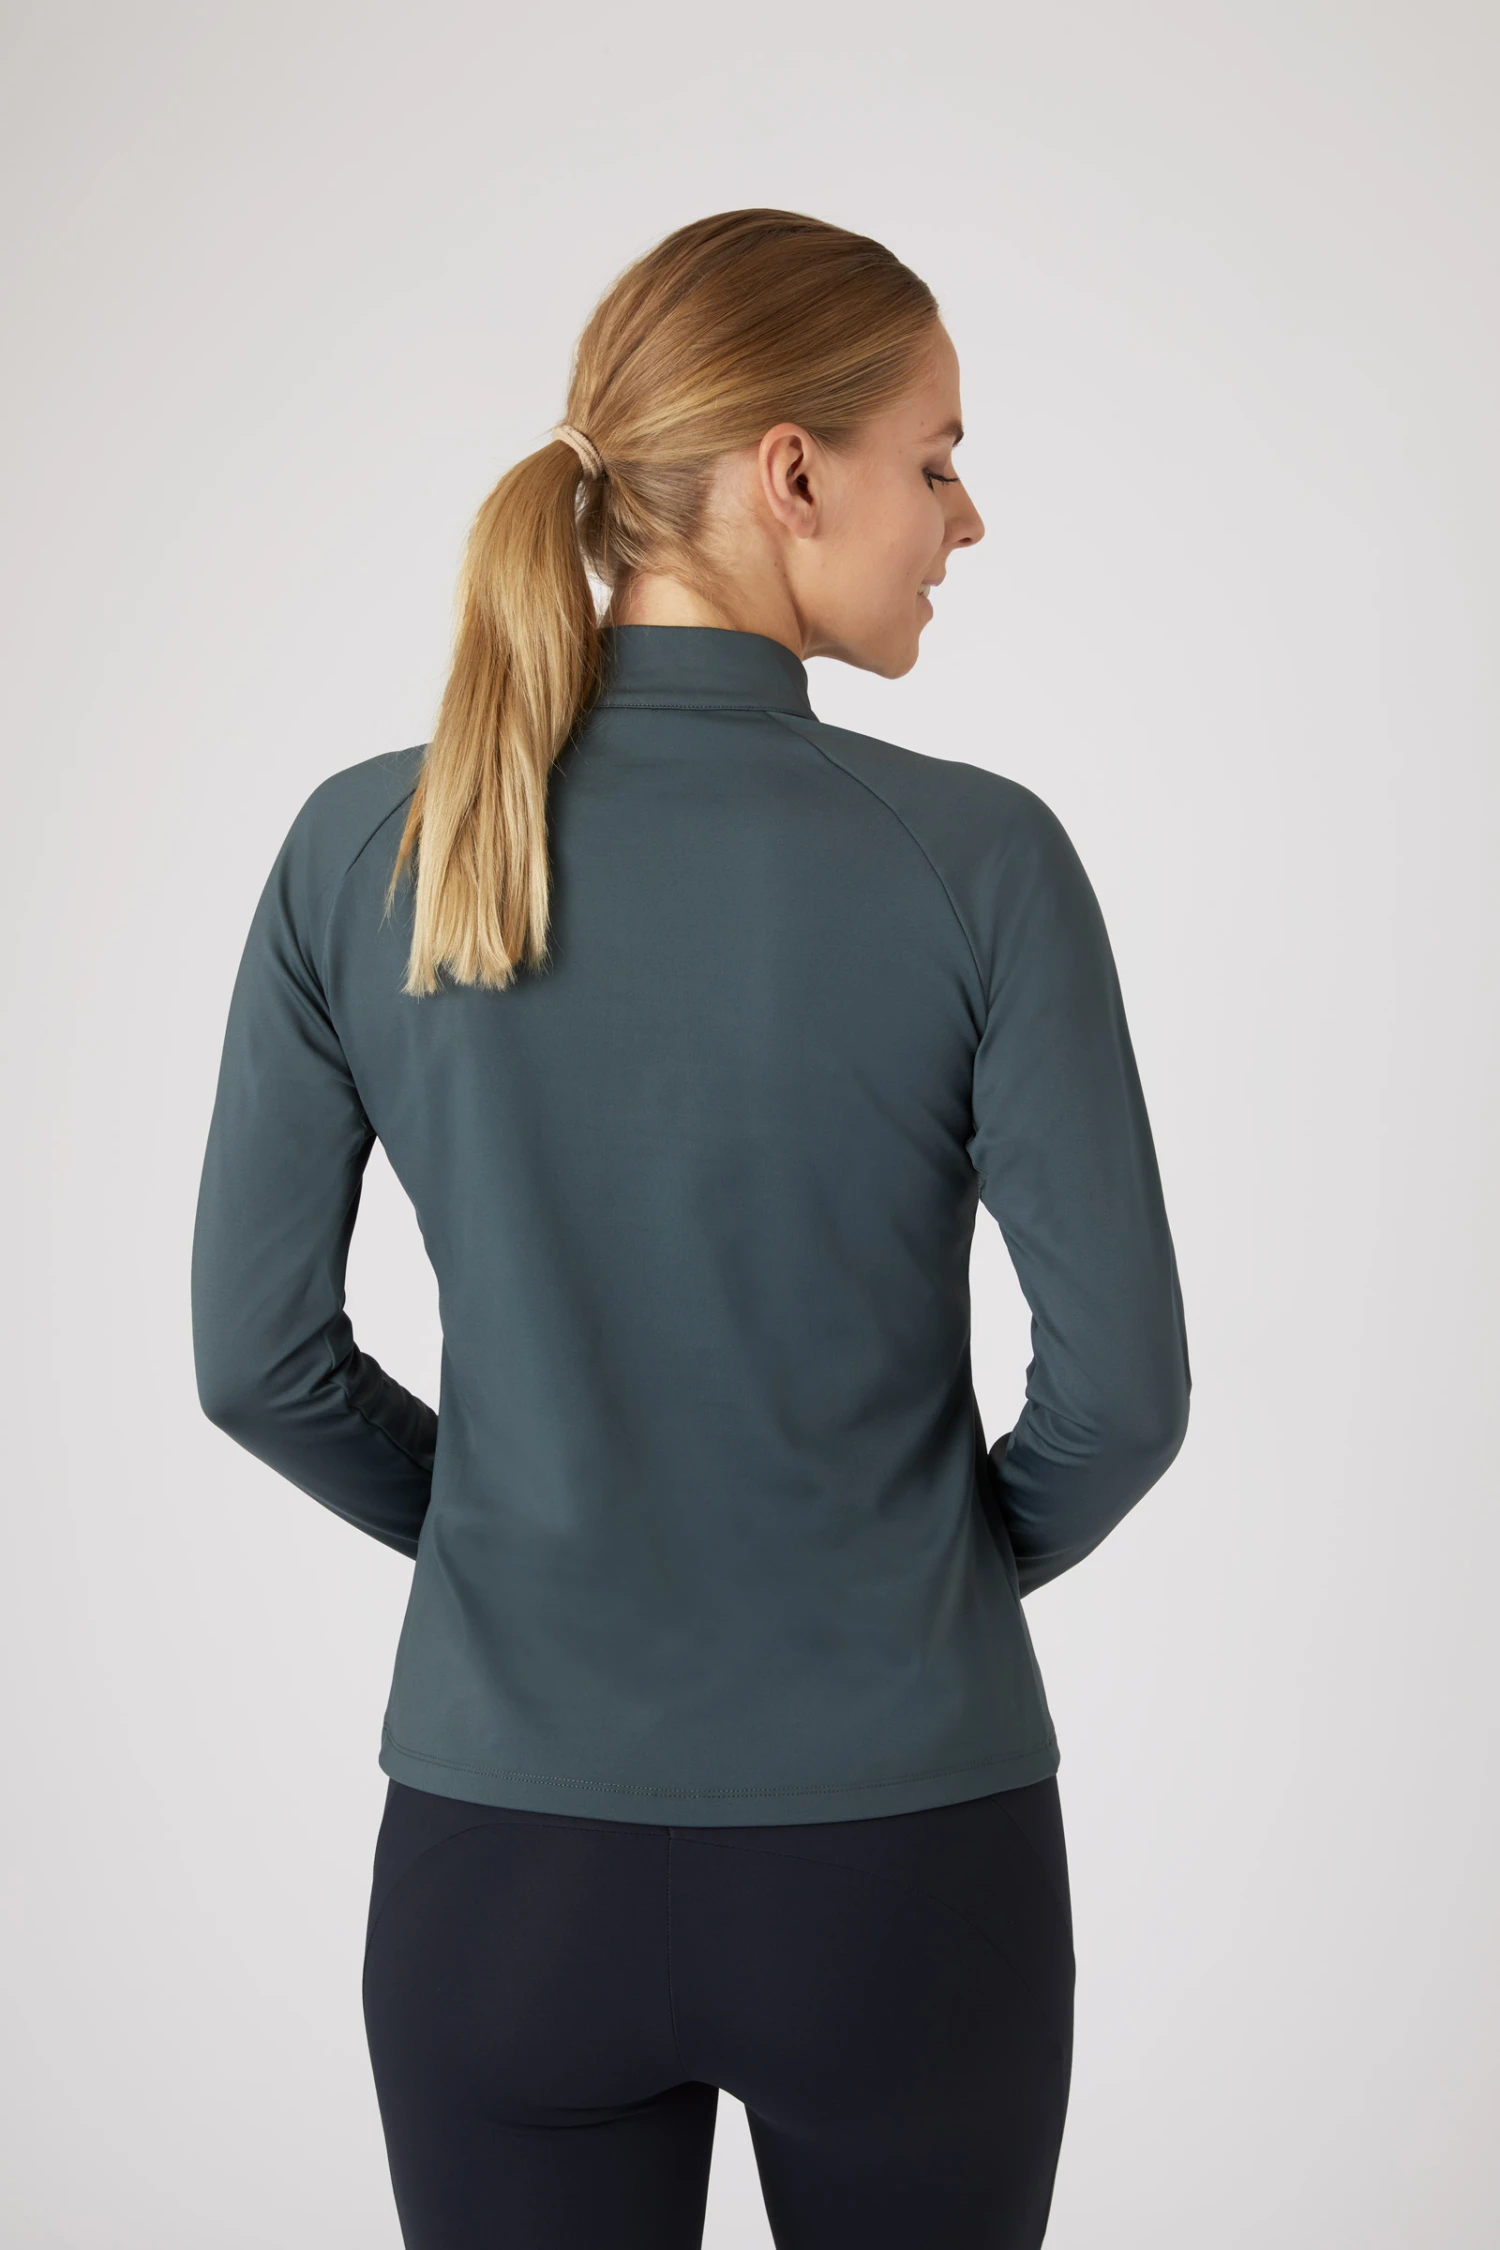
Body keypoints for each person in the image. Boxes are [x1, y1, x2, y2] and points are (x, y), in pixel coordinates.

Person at [191, 207, 1191, 2250]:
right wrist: (916, 1577)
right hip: (904, 1868)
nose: (966, 517)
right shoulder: (981, 863)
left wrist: (515, 1533)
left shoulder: (366, 846)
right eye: (936, 459)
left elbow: (255, 1362)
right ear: (790, 473)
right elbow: (1125, 1399)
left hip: (503, 1871)